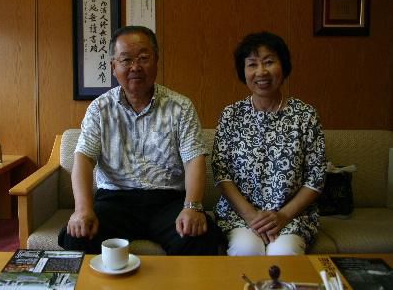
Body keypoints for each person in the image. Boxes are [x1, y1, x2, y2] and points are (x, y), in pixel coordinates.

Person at [58, 25, 219, 255]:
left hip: (168, 201)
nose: (135, 67)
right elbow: (83, 158)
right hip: (115, 201)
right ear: (113, 66)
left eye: (144, 58)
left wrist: (192, 206)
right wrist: (82, 209)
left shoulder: (180, 107)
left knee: (201, 236)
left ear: (156, 61)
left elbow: (194, 159)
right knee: (78, 237)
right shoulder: (99, 109)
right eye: (126, 60)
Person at [212, 31, 326, 256]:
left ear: (283, 67)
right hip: (241, 215)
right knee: (246, 248)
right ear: (243, 72)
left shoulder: (305, 115)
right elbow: (221, 172)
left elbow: (316, 177)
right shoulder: (231, 114)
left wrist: (282, 216)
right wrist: (251, 216)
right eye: (252, 64)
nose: (261, 72)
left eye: (269, 62)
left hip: (292, 215)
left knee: (284, 252)